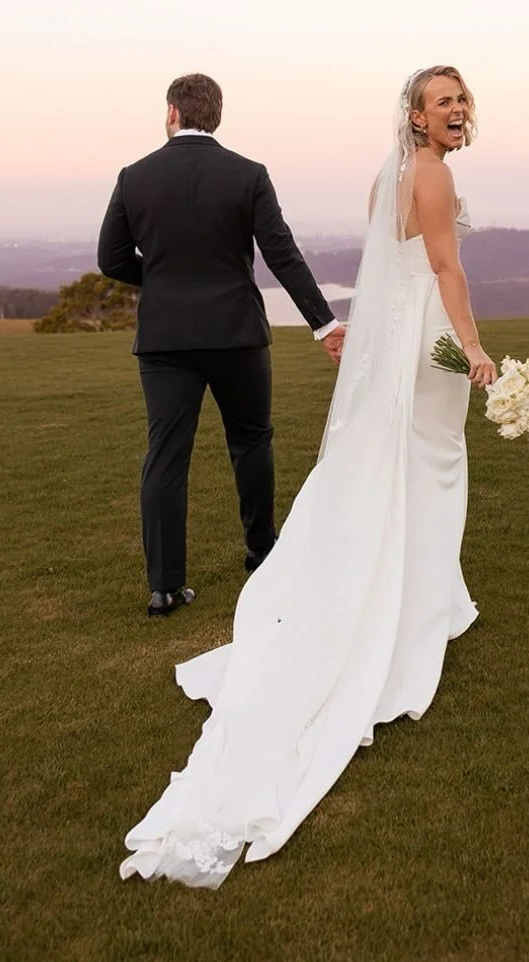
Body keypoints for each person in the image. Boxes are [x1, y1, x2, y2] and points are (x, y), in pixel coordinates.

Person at [119, 66, 497, 887]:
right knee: (416, 465)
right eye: (445, 101)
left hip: (358, 344)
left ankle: (182, 581)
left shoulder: (387, 175)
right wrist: (469, 345)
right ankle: (408, 601)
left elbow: (121, 256)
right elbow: (441, 270)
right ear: (416, 116)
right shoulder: (424, 174)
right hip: (413, 343)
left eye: (463, 98)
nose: (458, 110)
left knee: (198, 460)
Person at [97, 73, 346, 617]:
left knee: (166, 455)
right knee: (251, 440)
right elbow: (282, 255)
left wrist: (163, 280)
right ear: (216, 115)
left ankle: (164, 587)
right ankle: (261, 552)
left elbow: (110, 259)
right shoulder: (247, 175)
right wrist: (324, 324)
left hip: (164, 340)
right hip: (236, 334)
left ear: (171, 113)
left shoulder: (133, 176)